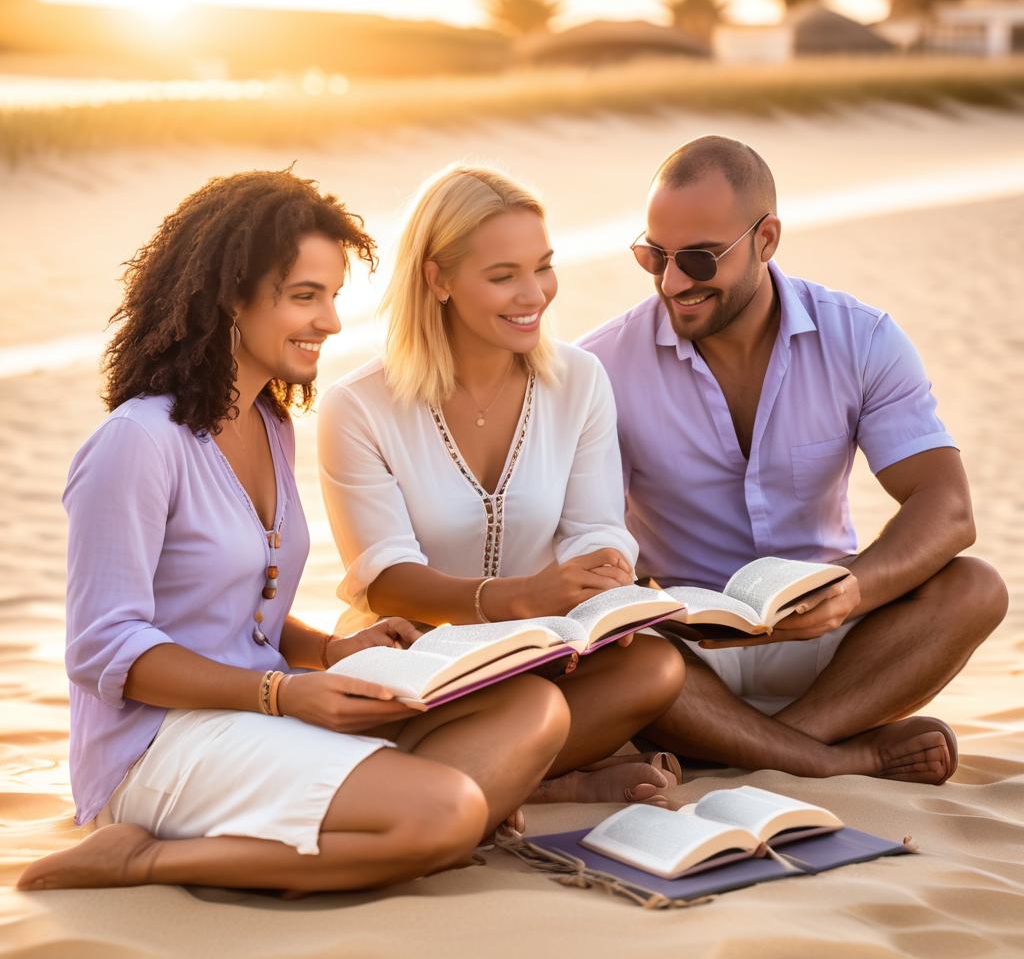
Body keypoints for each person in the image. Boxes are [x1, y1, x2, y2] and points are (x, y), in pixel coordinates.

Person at [18, 169, 572, 895]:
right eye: (305, 296)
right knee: (448, 812)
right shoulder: (137, 442)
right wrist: (283, 693)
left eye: (334, 296)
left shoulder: (269, 421)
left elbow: (243, 612)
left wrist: (331, 650)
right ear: (231, 300)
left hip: (259, 711)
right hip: (158, 745)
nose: (332, 322)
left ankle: (405, 828)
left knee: (532, 707)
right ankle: (142, 858)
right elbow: (105, 649)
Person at [579, 136, 1008, 785]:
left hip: (834, 642)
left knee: (976, 587)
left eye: (697, 259)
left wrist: (853, 590)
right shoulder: (601, 367)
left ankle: (756, 748)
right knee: (619, 651)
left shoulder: (861, 338)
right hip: (690, 653)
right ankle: (827, 755)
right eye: (653, 255)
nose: (672, 282)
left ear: (767, 238)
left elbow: (946, 509)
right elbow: (589, 533)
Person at [318, 164, 686, 805]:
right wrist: (519, 597)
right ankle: (541, 781)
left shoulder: (579, 380)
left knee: (655, 667)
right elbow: (385, 579)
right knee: (532, 702)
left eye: (542, 266)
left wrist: (602, 582)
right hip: (415, 665)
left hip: (541, 650)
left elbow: (596, 527)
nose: (535, 294)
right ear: (437, 278)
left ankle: (520, 773)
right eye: (502, 276)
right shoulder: (358, 406)